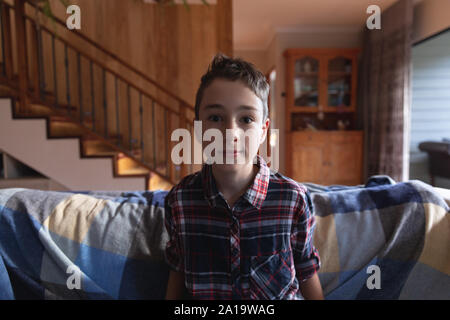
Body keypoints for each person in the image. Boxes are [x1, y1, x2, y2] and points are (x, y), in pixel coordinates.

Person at [164, 53, 323, 300]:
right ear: (198, 128)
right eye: (215, 118)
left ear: (263, 131)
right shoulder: (180, 201)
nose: (230, 132)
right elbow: (177, 270)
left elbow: (306, 272)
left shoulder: (293, 199)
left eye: (246, 119)